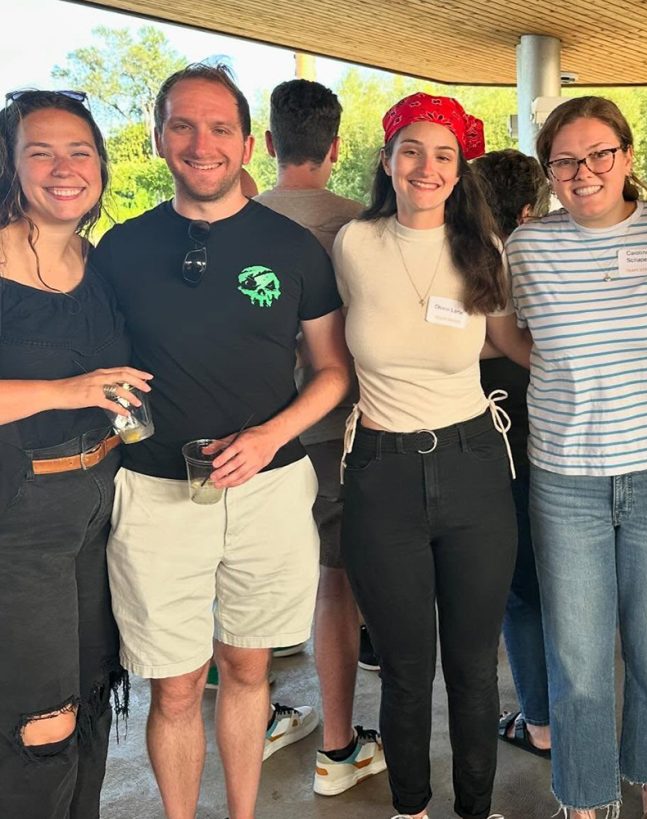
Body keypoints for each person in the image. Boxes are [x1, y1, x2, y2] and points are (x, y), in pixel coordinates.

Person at [92, 64, 350, 819]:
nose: (201, 143)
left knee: (247, 667)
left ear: (246, 142)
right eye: (182, 125)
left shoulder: (296, 248)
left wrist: (270, 436)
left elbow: (333, 371)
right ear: (159, 137)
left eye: (218, 128)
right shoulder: (121, 248)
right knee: (174, 683)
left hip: (267, 490)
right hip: (154, 493)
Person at [505, 95, 647, 819]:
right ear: (548, 170)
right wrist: (567, 368)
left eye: (600, 154)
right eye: (566, 159)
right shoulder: (525, 249)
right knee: (580, 656)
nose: (584, 171)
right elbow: (507, 333)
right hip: (565, 477)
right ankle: (584, 800)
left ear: (627, 155)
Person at [333, 91, 528, 819]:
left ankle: (476, 809)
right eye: (411, 150)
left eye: (443, 154)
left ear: (460, 167)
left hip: (474, 465)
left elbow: (508, 344)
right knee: (407, 670)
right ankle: (409, 808)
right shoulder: (353, 245)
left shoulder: (484, 249)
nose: (427, 165)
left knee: (475, 667)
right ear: (388, 161)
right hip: (381, 471)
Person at [0, 88, 148, 819]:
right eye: (41, 151)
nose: (64, 167)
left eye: (79, 150)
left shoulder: (101, 262)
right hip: (17, 519)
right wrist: (70, 388)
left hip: (101, 509)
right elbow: (71, 387)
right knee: (40, 721)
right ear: (10, 164)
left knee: (94, 697)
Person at [254, 76, 385, 796]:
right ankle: (338, 746)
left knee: (238, 581)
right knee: (335, 582)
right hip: (337, 430)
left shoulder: (231, 220)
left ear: (269, 144)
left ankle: (261, 714)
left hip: (247, 433)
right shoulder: (362, 226)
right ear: (336, 147)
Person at [473, 148, 552, 757]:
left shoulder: (461, 261)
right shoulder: (544, 262)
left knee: (521, 594)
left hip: (486, 451)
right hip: (553, 445)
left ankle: (541, 721)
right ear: (529, 209)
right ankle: (561, 716)